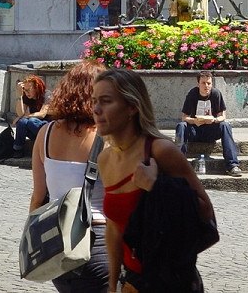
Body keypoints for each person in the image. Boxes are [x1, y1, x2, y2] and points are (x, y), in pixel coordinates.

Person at [93, 68, 214, 293]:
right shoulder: (105, 159)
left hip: (172, 280)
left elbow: (206, 212)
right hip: (133, 282)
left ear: (132, 107)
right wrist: (111, 285)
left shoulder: (160, 151)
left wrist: (156, 186)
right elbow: (114, 228)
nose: (96, 109)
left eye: (106, 101)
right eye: (94, 101)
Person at [29, 61, 109, 292]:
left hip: (59, 249)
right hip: (99, 243)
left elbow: (37, 198)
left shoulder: (45, 134)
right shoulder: (105, 137)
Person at [175, 70, 242, 176]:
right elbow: (184, 117)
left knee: (226, 126)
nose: (206, 86)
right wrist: (194, 121)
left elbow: (223, 117)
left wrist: (214, 120)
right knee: (181, 126)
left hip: (211, 131)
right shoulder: (192, 94)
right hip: (195, 130)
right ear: (198, 84)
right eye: (203, 83)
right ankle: (178, 164)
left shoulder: (216, 94)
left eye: (209, 83)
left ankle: (232, 165)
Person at [13, 74, 51, 156]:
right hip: (33, 129)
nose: (27, 93)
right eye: (25, 90)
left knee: (31, 121)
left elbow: (42, 114)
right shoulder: (27, 97)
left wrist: (26, 116)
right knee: (22, 122)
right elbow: (21, 113)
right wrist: (20, 96)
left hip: (45, 128)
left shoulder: (46, 94)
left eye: (29, 90)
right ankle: (17, 149)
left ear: (36, 88)